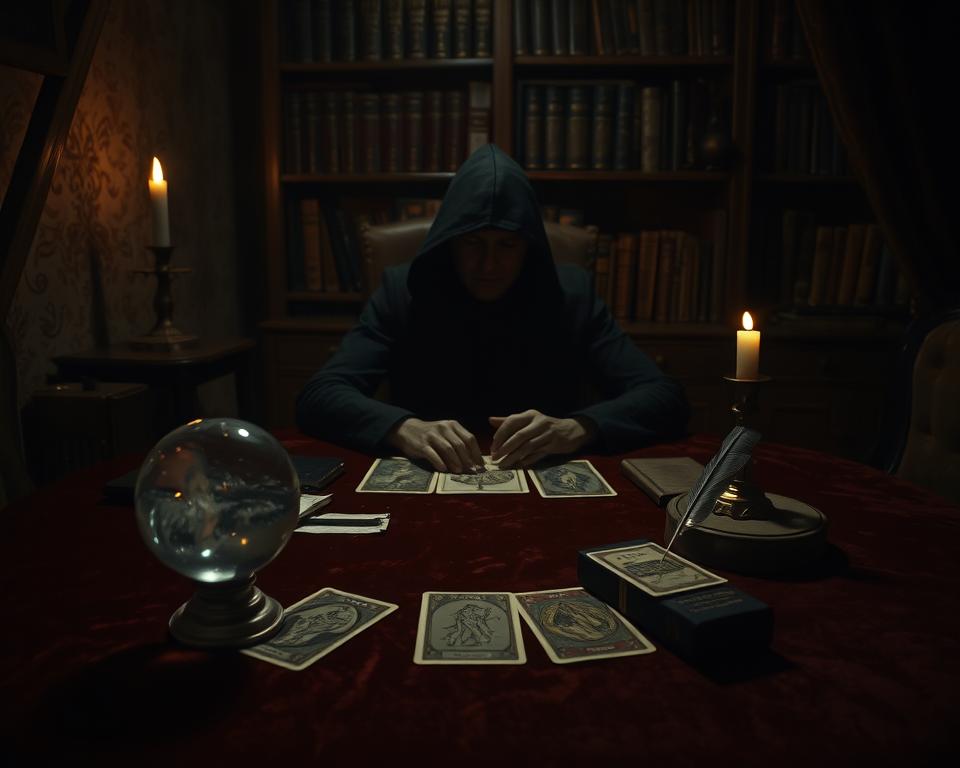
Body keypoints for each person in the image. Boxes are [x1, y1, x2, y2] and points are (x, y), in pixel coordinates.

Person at [296, 144, 688, 471]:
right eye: (472, 244)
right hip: (427, 488)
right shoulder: (403, 290)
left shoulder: (572, 294)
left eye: (506, 245)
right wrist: (403, 428)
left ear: (528, 247)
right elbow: (320, 395)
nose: (488, 265)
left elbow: (664, 396)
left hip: (544, 488)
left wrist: (578, 428)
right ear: (449, 242)